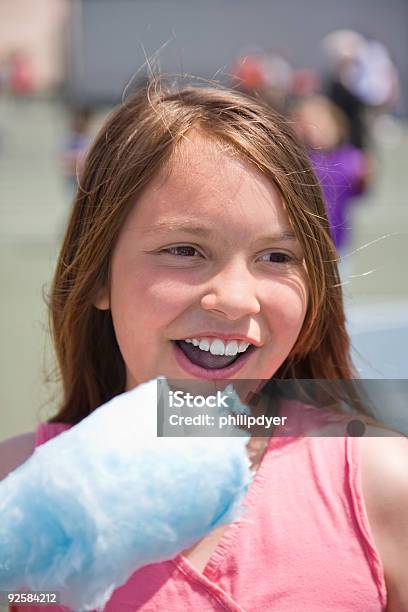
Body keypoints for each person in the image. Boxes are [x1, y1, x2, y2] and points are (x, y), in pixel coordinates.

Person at [1, 80, 407, 610]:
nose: (236, 300)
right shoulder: (19, 487)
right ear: (98, 275)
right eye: (185, 250)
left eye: (278, 257)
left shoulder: (385, 488)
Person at [292, 95, 369, 255]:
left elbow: (359, 190)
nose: (316, 132)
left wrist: (364, 177)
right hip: (303, 240)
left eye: (322, 125)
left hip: (336, 243)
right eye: (309, 125)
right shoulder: (300, 158)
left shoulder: (347, 158)